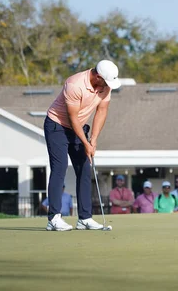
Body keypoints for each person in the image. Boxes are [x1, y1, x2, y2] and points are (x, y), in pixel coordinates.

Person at [44, 60, 121, 231]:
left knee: (85, 169)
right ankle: (54, 218)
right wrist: (85, 143)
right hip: (57, 126)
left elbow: (102, 111)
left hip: (77, 127)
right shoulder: (75, 84)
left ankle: (84, 218)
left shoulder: (105, 86)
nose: (108, 86)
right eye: (106, 82)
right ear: (98, 76)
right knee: (60, 167)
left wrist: (93, 139)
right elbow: (72, 118)